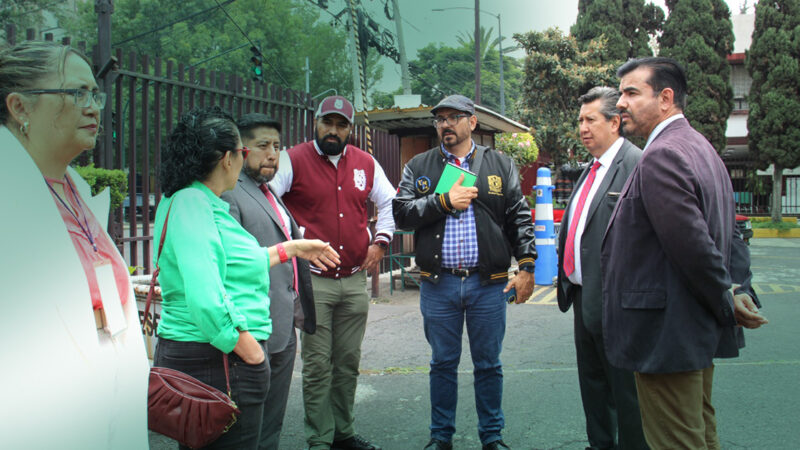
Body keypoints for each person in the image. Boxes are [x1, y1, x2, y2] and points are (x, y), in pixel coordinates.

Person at [602, 57, 768, 449]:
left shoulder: (662, 154)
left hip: (667, 337)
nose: (620, 103)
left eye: (631, 92)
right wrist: (731, 291)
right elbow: (727, 238)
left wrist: (726, 297)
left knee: (676, 441)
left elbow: (693, 246)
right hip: (691, 331)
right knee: (699, 433)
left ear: (665, 98)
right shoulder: (701, 148)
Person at [152, 106, 339, 449]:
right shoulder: (193, 202)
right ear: (227, 158)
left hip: (219, 356)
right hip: (216, 358)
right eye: (243, 150)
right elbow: (205, 296)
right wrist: (250, 351)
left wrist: (293, 248)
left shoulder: (199, 200)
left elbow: (237, 262)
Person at [0, 42, 149, 447]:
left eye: (94, 94)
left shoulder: (76, 188)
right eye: (75, 93)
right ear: (20, 107)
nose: (93, 107)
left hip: (108, 399)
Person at [393, 94, 537, 450]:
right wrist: (443, 201)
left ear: (472, 122)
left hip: (488, 284)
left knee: (489, 364)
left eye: (454, 117)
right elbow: (402, 213)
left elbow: (518, 216)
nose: (445, 124)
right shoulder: (419, 166)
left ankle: (492, 437)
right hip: (438, 284)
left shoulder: (500, 164)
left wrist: (527, 266)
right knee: (442, 363)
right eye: (440, 119)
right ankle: (441, 437)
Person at [269, 95, 394, 450]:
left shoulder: (365, 163)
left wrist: (380, 242)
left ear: (350, 129)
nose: (334, 131)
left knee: (348, 362)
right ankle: (319, 439)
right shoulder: (293, 160)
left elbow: (389, 202)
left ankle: (343, 433)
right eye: (328, 123)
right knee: (318, 364)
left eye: (341, 125)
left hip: (354, 280)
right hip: (313, 284)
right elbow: (270, 202)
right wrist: (299, 238)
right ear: (316, 122)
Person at [556, 87, 646, 450]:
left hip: (619, 304)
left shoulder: (637, 164)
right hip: (583, 297)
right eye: (580, 120)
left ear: (615, 122)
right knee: (593, 388)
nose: (583, 128)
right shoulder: (591, 169)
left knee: (627, 395)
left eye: (591, 120)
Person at [220, 113, 316, 450]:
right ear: (240, 150)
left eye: (277, 146)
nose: (273, 154)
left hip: (283, 324)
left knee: (271, 423)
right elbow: (229, 267)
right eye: (263, 146)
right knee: (248, 428)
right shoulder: (231, 195)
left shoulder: (268, 191)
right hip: (253, 332)